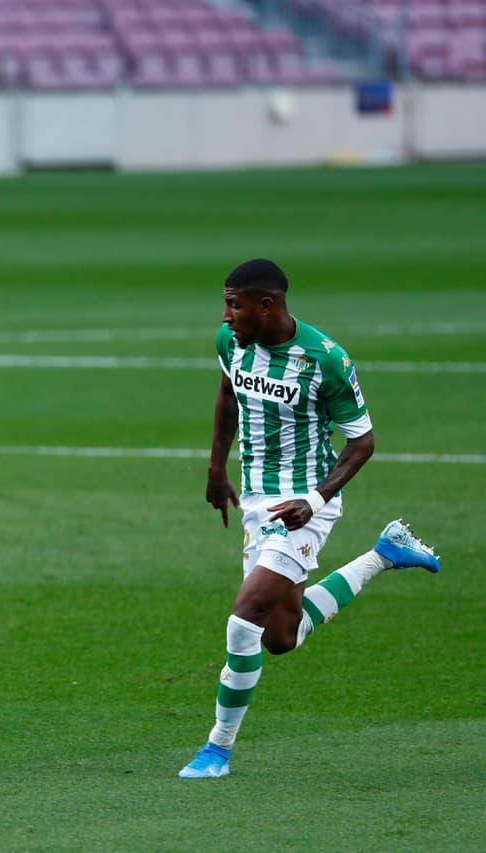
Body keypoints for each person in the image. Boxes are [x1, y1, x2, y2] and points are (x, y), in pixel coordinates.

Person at [178, 258, 441, 779]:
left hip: (302, 503)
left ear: (267, 304)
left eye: (235, 304)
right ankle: (383, 554)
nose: (226, 315)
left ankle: (217, 749)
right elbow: (229, 393)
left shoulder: (326, 359)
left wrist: (316, 501)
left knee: (245, 615)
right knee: (280, 636)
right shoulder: (231, 343)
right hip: (256, 498)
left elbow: (361, 442)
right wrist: (215, 468)